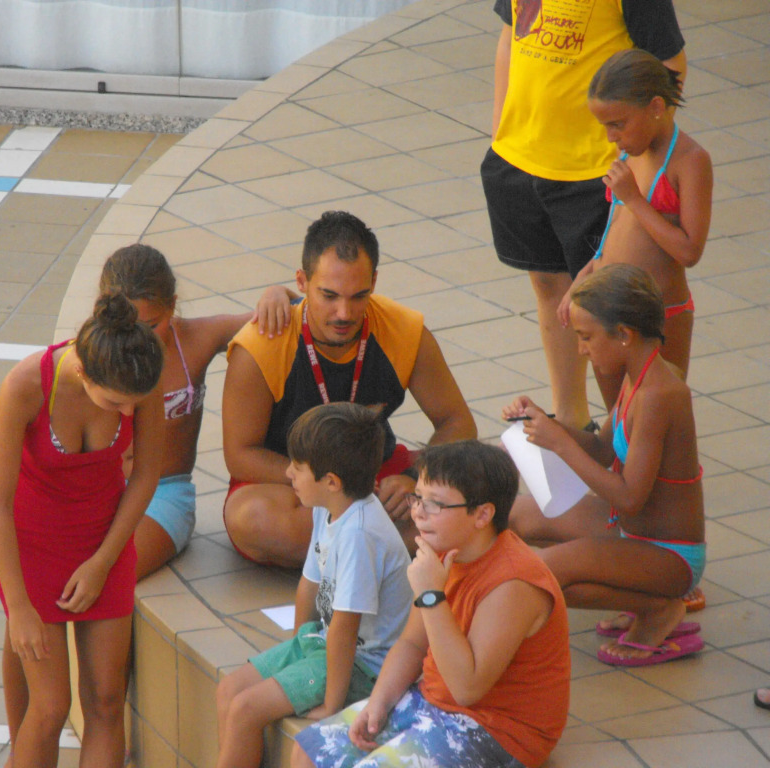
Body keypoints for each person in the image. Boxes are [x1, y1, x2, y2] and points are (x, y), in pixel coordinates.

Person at [292, 440, 569, 768]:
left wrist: (431, 596)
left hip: (497, 730)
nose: (418, 512)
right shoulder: (444, 548)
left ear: (482, 514)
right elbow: (412, 643)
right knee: (308, 751)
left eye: (435, 504)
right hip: (432, 700)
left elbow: (467, 689)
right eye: (418, 497)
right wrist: (378, 702)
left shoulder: (513, 583)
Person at [222, 210, 476, 567]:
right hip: (291, 482)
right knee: (253, 519)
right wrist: (324, 483)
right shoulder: (260, 345)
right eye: (329, 295)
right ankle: (403, 543)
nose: (344, 313)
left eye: (359, 296)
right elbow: (241, 455)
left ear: (374, 281)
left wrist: (416, 481)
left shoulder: (405, 331)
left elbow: (458, 422)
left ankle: (359, 546)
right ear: (301, 282)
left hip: (378, 475)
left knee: (482, 472)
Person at [482, 0, 686, 432]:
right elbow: (510, 34)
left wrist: (641, 159)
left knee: (607, 305)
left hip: (596, 171)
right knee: (548, 283)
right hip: (522, 155)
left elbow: (670, 65)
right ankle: (573, 419)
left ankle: (630, 427)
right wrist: (501, 129)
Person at [0, 292, 164, 768]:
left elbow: (146, 474)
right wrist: (18, 607)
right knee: (50, 706)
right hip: (33, 547)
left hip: (105, 540)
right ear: (83, 371)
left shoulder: (140, 374)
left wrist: (103, 562)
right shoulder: (26, 386)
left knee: (106, 699)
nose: (128, 414)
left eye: (135, 404)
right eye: (116, 403)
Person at [504, 264, 705, 666]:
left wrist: (561, 444)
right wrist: (545, 423)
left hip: (669, 556)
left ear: (625, 335)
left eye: (586, 337)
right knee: (515, 514)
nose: (581, 350)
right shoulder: (637, 377)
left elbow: (630, 497)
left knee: (543, 572)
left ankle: (658, 608)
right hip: (631, 532)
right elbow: (600, 449)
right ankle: (642, 599)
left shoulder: (660, 394)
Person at [215, 402, 412, 768]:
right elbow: (309, 584)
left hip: (366, 667)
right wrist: (298, 648)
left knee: (245, 709)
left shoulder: (359, 534)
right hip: (324, 643)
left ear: (331, 481)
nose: (287, 472)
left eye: (297, 466)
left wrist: (332, 703)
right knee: (229, 690)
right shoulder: (328, 506)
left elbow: (346, 627)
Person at [97, 244, 291, 578]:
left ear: (172, 306)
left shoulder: (195, 339)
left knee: (113, 572)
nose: (138, 338)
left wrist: (278, 293)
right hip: (100, 488)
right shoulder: (92, 350)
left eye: (151, 325)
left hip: (164, 493)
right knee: (60, 568)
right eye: (126, 326)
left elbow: (286, 316)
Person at [559, 49, 713, 410]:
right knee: (618, 420)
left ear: (656, 107)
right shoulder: (631, 150)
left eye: (617, 124)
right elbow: (616, 228)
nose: (610, 136)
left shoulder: (690, 161)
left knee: (653, 412)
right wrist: (586, 273)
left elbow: (689, 251)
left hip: (658, 316)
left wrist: (634, 198)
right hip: (607, 313)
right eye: (605, 126)